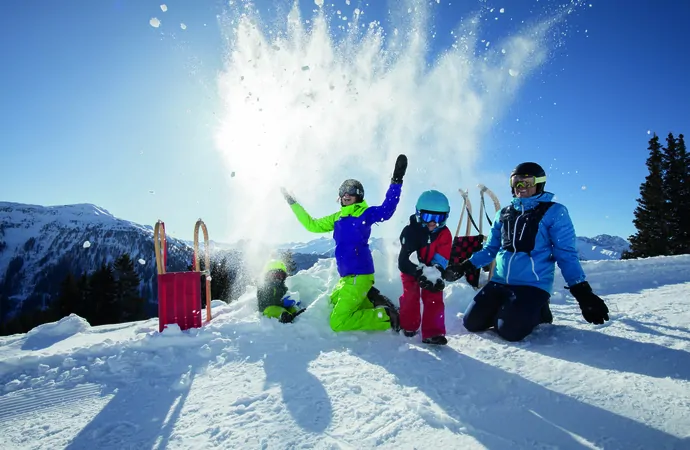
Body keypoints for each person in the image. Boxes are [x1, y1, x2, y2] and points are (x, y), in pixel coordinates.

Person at [455, 162, 610, 342]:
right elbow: (490, 249)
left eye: (527, 182)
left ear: (539, 184)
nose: (521, 187)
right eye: (517, 182)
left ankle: (540, 311)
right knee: (471, 323)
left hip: (532, 285)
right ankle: (511, 310)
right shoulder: (504, 214)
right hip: (499, 282)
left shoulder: (554, 212)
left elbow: (565, 254)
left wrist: (582, 292)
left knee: (509, 331)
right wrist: (465, 266)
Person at [280, 154, 408, 332]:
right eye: (343, 191)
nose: (346, 194)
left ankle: (387, 317)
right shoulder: (337, 218)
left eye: (352, 190)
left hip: (359, 275)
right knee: (330, 303)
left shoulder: (365, 213)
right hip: (346, 278)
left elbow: (387, 210)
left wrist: (396, 181)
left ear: (359, 195)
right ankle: (371, 300)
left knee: (338, 322)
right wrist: (292, 203)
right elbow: (312, 225)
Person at [397, 190, 453, 345]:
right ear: (419, 214)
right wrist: (418, 272)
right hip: (411, 269)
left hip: (431, 270)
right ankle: (409, 326)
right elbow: (403, 261)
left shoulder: (444, 234)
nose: (433, 223)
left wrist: (436, 271)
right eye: (428, 217)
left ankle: (433, 332)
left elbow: (442, 257)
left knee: (434, 295)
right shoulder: (410, 232)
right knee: (411, 295)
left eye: (438, 218)